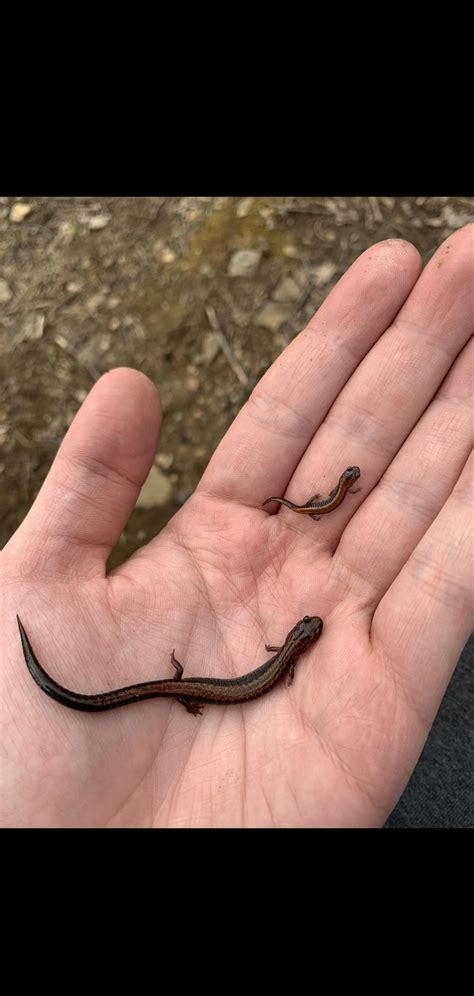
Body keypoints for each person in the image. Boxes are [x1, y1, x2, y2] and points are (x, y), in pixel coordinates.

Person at [1, 226, 472, 828]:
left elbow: (273, 658)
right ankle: (134, 688)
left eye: (304, 630)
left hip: (198, 686)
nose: (303, 631)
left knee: (176, 686)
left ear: (300, 640)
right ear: (302, 644)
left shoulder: (287, 658)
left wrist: (189, 688)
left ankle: (151, 688)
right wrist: (189, 690)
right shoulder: (288, 662)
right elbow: (275, 662)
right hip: (196, 689)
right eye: (306, 629)